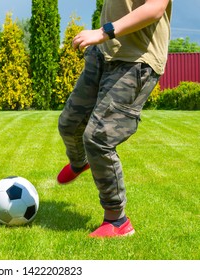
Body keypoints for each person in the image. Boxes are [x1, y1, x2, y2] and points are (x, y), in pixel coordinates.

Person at [57, 0, 172, 238]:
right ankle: (80, 163)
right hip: (104, 52)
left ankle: (117, 221)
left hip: (137, 60)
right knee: (69, 123)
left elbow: (154, 9)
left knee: (99, 137)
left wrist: (102, 32)